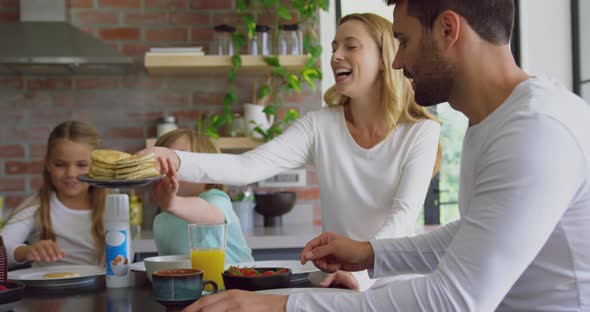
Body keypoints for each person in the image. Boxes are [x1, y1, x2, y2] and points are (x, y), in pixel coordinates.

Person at [181, 0, 590, 311]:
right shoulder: (492, 121)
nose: (398, 60)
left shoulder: (535, 129)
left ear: (448, 29)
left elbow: (453, 299)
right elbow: (473, 231)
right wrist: (371, 253)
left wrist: (283, 304)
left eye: (404, 41)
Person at [140, 13, 442, 290]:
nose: (336, 56)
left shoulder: (421, 132)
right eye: (334, 47)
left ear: (383, 58)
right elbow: (247, 167)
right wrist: (175, 159)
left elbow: (402, 217)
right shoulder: (319, 125)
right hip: (335, 284)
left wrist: (359, 274)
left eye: (351, 46)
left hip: (395, 283)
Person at [1, 120, 107, 268]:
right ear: (48, 165)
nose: (71, 173)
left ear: (98, 167)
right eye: (60, 164)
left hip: (98, 289)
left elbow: (127, 254)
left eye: (82, 165)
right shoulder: (36, 206)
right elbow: (2, 247)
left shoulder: (111, 207)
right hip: (46, 290)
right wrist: (28, 251)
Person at [151, 129, 253, 264]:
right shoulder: (161, 220)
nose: (169, 168)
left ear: (207, 170)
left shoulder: (215, 199)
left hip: (239, 282)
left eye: (179, 160)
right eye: (163, 161)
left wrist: (172, 203)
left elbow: (212, 216)